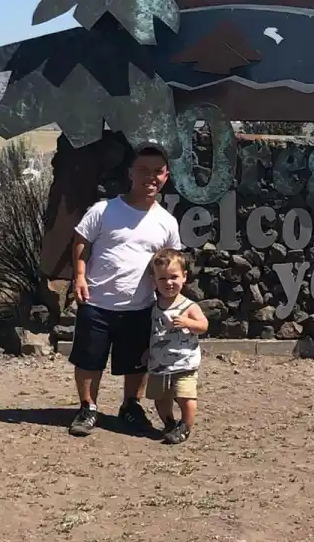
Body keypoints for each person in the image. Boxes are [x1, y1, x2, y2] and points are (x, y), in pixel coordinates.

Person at [67, 141, 182, 438]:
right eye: (143, 169)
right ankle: (87, 407)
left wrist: (171, 299)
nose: (150, 177)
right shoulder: (104, 210)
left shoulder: (166, 222)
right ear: (130, 173)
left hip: (140, 305)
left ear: (166, 176)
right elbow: (81, 241)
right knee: (89, 359)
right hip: (96, 301)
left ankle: (130, 406)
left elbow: (171, 262)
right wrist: (80, 275)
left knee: (136, 363)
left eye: (158, 171)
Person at [145, 248, 208, 445]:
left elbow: (203, 326)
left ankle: (185, 426)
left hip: (184, 362)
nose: (169, 283)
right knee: (159, 398)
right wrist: (147, 351)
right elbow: (154, 332)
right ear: (154, 280)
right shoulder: (155, 305)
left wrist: (188, 323)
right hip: (158, 362)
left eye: (174, 277)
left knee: (185, 396)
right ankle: (169, 423)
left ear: (184, 277)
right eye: (162, 278)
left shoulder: (189, 306)